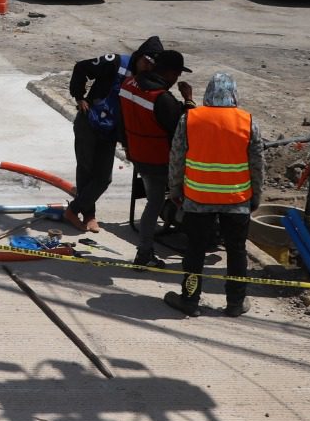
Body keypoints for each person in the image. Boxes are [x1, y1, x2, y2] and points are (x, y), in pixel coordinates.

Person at [164, 72, 265, 319]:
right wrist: (256, 196)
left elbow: (177, 159)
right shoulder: (247, 121)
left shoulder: (189, 119)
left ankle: (189, 300)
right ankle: (235, 302)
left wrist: (176, 190)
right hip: (237, 199)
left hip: (198, 199)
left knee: (195, 250)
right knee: (236, 251)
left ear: (208, 92)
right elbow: (257, 164)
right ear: (234, 94)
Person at [65, 36, 164, 232]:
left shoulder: (145, 81)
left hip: (110, 130)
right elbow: (82, 67)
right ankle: (88, 214)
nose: (147, 68)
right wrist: (79, 97)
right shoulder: (116, 62)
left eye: (152, 66)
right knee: (86, 170)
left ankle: (74, 209)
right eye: (146, 62)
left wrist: (127, 145)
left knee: (103, 178)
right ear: (139, 57)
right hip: (89, 122)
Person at [119, 49, 195, 267]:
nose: (177, 79)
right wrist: (188, 100)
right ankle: (146, 251)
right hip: (159, 160)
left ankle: (146, 250)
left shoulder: (129, 84)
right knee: (157, 202)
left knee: (153, 201)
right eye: (177, 74)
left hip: (138, 155)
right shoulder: (162, 99)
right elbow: (185, 128)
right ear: (170, 73)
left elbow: (121, 121)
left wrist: (126, 145)